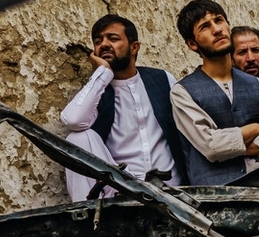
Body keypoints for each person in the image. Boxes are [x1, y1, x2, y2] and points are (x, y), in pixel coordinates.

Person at [59, 14, 188, 200]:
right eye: (98, 41)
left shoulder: (162, 79)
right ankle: (86, 220)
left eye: (113, 38)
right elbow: (72, 120)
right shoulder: (97, 92)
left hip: (171, 189)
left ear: (134, 47)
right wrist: (102, 73)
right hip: (122, 191)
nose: (104, 44)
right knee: (77, 138)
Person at [171, 0, 259, 185]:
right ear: (192, 44)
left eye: (219, 20)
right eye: (205, 26)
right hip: (217, 198)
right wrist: (256, 129)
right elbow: (212, 146)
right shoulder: (182, 92)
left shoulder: (258, 84)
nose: (217, 29)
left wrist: (231, 145)